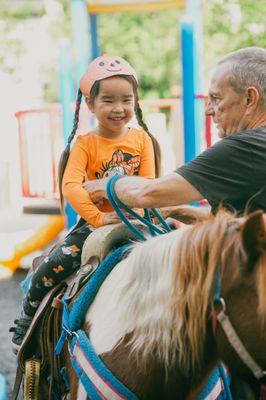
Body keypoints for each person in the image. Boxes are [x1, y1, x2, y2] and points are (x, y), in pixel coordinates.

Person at [10, 54, 161, 351]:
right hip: (95, 226)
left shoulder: (142, 141)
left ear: (136, 102)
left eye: (126, 100)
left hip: (138, 220)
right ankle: (28, 318)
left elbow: (149, 185)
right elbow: (71, 186)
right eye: (108, 100)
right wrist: (99, 217)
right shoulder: (85, 144)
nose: (118, 108)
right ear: (90, 105)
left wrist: (139, 212)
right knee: (52, 265)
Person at [83, 47, 266, 219]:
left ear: (249, 99)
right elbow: (242, 225)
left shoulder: (245, 148)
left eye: (216, 99)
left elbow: (148, 194)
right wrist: (178, 210)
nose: (208, 111)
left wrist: (106, 185)